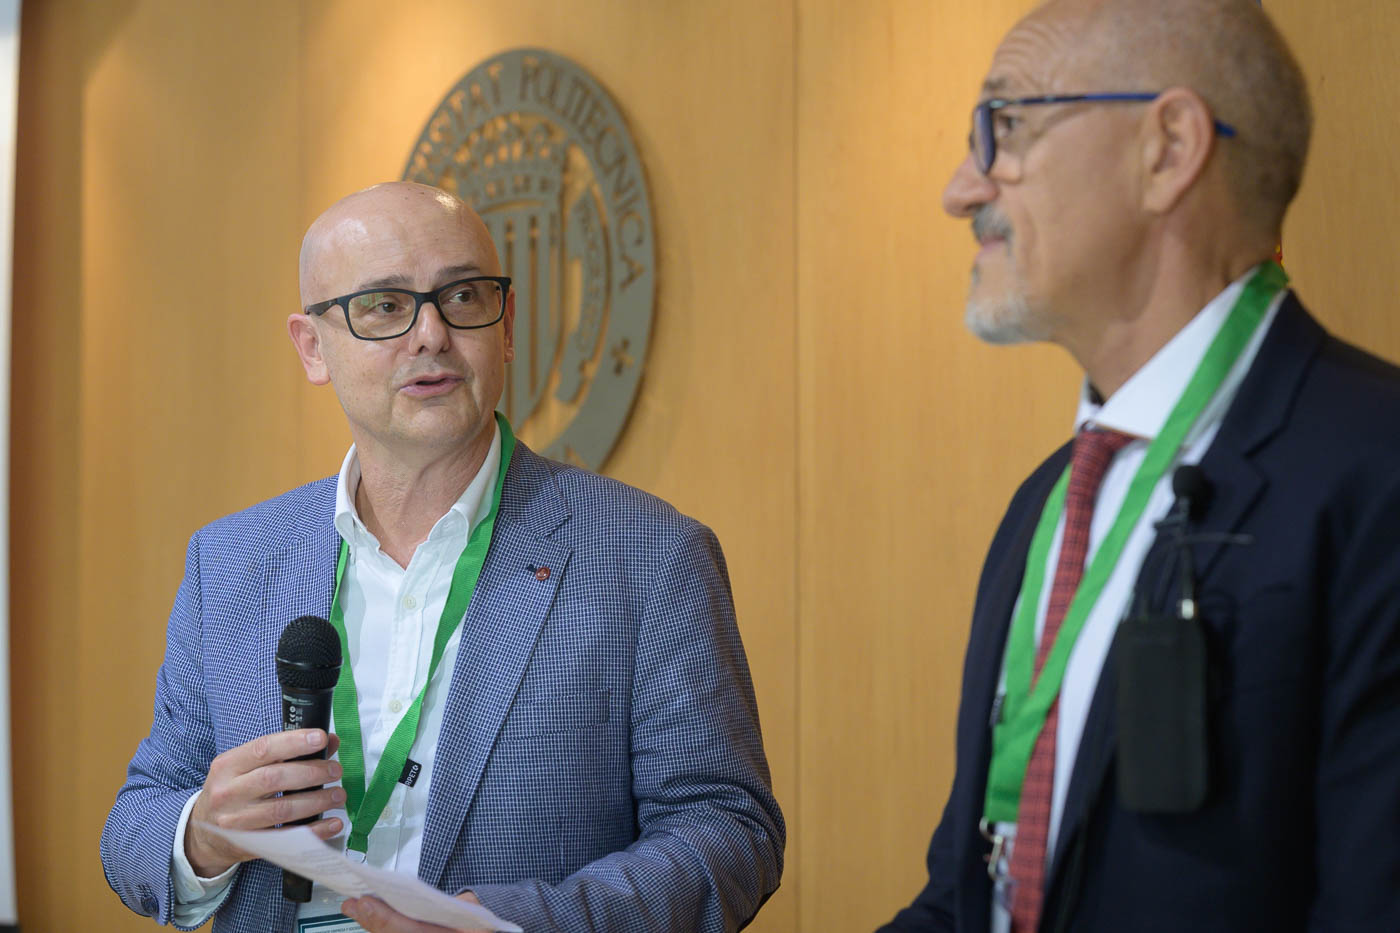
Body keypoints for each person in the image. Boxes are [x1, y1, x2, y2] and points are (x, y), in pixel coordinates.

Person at [101, 182, 784, 933]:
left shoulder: (649, 556)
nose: (431, 333)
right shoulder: (232, 560)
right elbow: (135, 823)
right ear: (312, 347)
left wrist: (521, 923)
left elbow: (728, 833)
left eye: (462, 296)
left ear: (507, 326)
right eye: (385, 305)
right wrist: (202, 832)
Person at [880, 0, 1400, 931]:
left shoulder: (1377, 472)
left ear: (1168, 150)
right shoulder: (1044, 505)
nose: (961, 189)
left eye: (1006, 126)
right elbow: (970, 899)